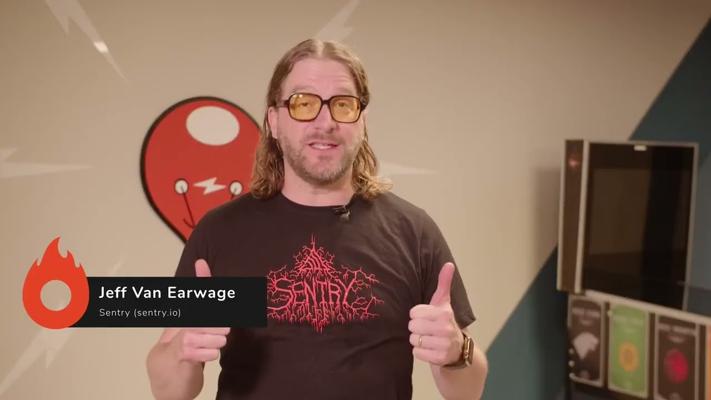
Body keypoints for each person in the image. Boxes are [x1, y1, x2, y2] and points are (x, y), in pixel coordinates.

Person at [146, 39, 488, 400]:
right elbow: (170, 392)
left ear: (362, 121)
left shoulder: (413, 232)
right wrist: (183, 350)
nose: (325, 122)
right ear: (274, 121)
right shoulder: (220, 233)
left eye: (343, 105)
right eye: (304, 103)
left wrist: (457, 351)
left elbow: (469, 391)